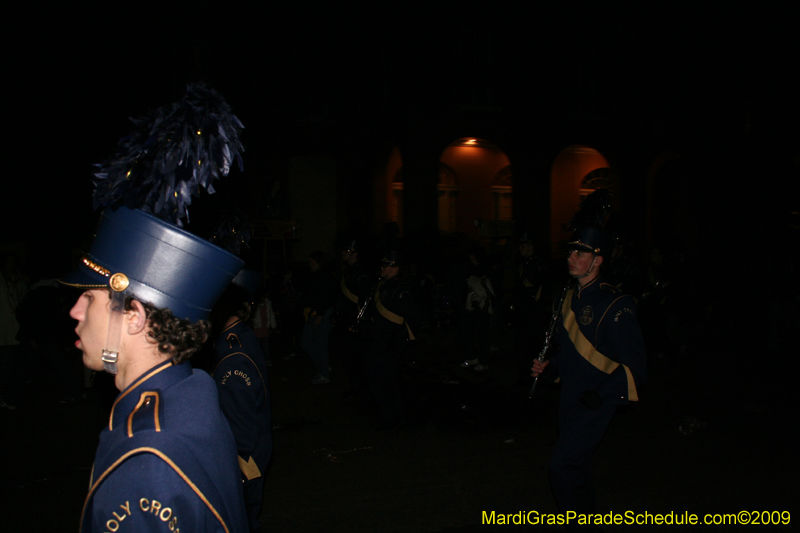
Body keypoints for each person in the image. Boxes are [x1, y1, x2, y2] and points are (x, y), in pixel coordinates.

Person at [62, 207, 248, 533]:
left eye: (89, 298)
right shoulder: (193, 387)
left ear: (133, 316)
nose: (75, 311)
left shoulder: (145, 461)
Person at [532, 226, 646, 529]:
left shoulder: (615, 302)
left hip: (596, 399)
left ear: (598, 259)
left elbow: (636, 366)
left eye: (579, 252)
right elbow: (568, 351)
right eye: (570, 251)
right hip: (570, 395)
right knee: (578, 466)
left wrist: (603, 395)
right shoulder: (566, 297)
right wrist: (549, 367)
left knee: (562, 466)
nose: (571, 257)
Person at [211, 269, 273, 533]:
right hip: (255, 445)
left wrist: (234, 469)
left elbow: (241, 428)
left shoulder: (233, 357)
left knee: (241, 521)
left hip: (244, 457)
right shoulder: (239, 335)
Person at [369, 250, 418, 430]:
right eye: (383, 265)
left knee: (387, 380)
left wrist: (399, 341)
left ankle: (394, 416)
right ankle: (388, 414)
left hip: (391, 342)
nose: (383, 268)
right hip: (381, 339)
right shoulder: (381, 286)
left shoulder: (400, 290)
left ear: (397, 268)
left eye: (388, 265)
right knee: (380, 379)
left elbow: (410, 319)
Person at [300, 251, 337, 384]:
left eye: (312, 262)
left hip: (322, 314)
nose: (310, 265)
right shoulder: (313, 276)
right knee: (306, 342)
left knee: (320, 344)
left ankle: (324, 374)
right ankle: (323, 366)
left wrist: (321, 314)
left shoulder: (326, 277)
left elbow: (327, 297)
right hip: (312, 313)